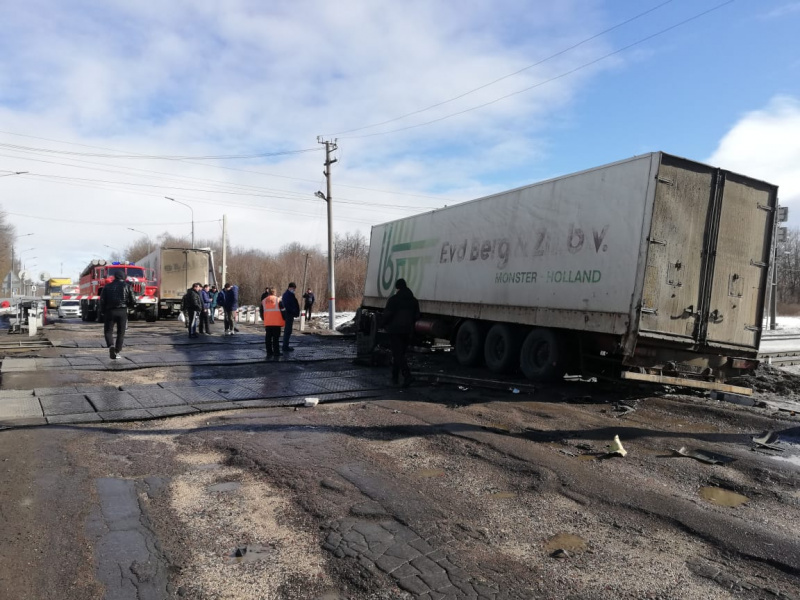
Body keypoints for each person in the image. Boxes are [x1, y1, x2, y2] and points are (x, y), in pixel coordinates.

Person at [381, 278, 420, 387]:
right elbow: (417, 316)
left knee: (397, 354)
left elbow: (387, 314)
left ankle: (407, 376)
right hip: (407, 331)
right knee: (400, 354)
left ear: (397, 287)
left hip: (395, 330)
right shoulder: (414, 301)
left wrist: (383, 324)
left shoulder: (394, 300)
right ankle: (395, 376)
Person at [100, 271, 135, 360]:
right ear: (124, 277)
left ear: (114, 277)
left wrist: (103, 311)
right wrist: (129, 307)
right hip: (122, 311)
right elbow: (133, 300)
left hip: (110, 311)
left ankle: (111, 345)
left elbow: (102, 300)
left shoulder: (107, 286)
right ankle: (117, 351)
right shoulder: (127, 286)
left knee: (108, 331)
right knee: (121, 332)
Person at [260, 286, 285, 358]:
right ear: (275, 292)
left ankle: (269, 352)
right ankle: (276, 352)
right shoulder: (278, 300)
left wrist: (264, 318)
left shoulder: (264, 301)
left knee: (268, 338)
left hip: (268, 322)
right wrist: (284, 319)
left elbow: (261, 311)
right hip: (277, 322)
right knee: (275, 339)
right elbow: (283, 310)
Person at [281, 282, 300, 352]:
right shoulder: (287, 295)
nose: (294, 290)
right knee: (288, 330)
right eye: (293, 288)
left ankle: (286, 345)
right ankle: (285, 346)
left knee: (288, 330)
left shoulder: (289, 294)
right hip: (288, 314)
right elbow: (287, 305)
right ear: (289, 287)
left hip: (290, 314)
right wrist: (293, 311)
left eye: (294, 289)